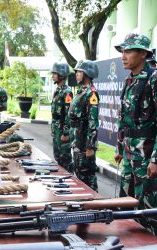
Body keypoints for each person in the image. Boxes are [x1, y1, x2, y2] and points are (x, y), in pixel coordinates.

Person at [113, 33, 157, 238]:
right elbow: (124, 117)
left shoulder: (156, 79)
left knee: (150, 206)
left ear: (143, 54)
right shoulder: (130, 81)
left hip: (147, 156)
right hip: (130, 155)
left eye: (128, 51)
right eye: (122, 51)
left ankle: (155, 242)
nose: (123, 55)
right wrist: (120, 147)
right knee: (127, 205)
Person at [64, 60, 100, 191]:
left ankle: (95, 203)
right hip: (77, 139)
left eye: (79, 72)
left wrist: (90, 146)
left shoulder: (91, 93)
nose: (77, 74)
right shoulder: (81, 91)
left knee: (87, 176)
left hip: (85, 142)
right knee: (79, 173)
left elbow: (93, 122)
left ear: (87, 73)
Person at [50, 62, 73, 170]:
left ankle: (70, 181)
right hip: (56, 128)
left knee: (65, 158)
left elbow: (68, 114)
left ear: (62, 75)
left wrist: (65, 132)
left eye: (55, 73)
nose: (52, 76)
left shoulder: (67, 92)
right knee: (58, 156)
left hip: (62, 129)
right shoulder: (58, 90)